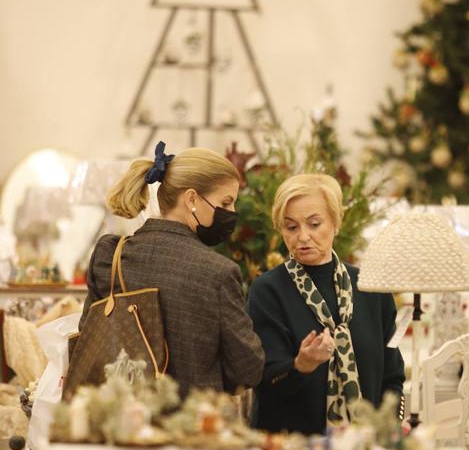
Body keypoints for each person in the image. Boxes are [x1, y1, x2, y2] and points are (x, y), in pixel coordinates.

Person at [79, 141, 264, 399]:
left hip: (118, 418)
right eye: (227, 201)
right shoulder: (218, 273)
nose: (232, 212)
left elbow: (88, 335)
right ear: (191, 199)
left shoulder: (111, 255)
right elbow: (248, 369)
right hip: (189, 425)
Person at [248, 173, 404, 434]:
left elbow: (393, 377)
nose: (303, 236)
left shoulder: (371, 286)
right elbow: (263, 383)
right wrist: (300, 366)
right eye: (291, 227)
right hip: (290, 447)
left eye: (314, 224)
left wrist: (388, 429)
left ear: (335, 223)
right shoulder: (267, 291)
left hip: (365, 447)